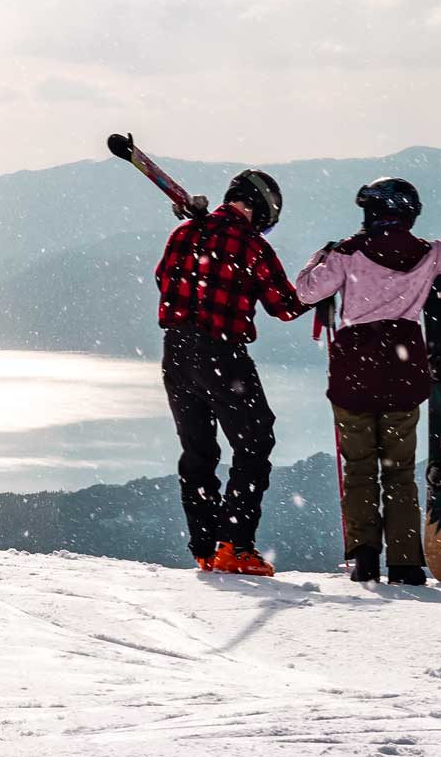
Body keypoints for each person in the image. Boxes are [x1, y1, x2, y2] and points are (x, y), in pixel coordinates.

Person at [290, 177, 441, 586]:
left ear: (369, 213)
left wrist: (318, 256)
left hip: (354, 366)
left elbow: (305, 292)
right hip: (404, 363)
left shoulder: (346, 254)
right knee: (399, 471)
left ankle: (364, 556)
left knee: (359, 468)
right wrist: (435, 243)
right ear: (409, 213)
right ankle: (406, 563)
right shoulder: (428, 254)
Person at [151, 168, 307, 576]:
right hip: (221, 352)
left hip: (175, 351)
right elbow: (286, 306)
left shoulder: (183, 233)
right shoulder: (251, 245)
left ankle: (205, 547)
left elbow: (162, 279)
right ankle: (234, 545)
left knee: (198, 451)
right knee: (255, 440)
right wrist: (319, 280)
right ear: (262, 209)